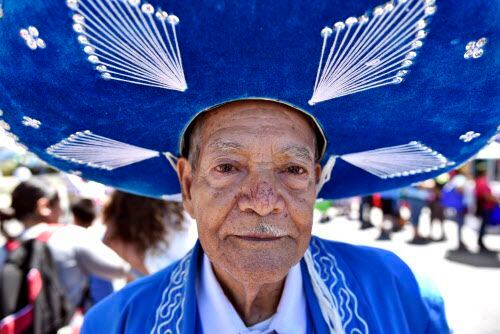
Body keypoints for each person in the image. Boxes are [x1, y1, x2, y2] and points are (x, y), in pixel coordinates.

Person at [3, 0, 498, 332]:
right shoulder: (116, 323)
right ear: (187, 184)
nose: (263, 202)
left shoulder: (400, 292)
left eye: (292, 171)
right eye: (227, 167)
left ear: (319, 183)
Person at [0, 178, 132, 309]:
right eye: (60, 203)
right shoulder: (71, 237)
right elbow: (124, 269)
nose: (63, 211)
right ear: (44, 206)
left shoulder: (6, 249)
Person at [102, 190, 195, 275]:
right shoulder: (178, 193)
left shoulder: (124, 194)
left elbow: (110, 240)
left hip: (156, 275)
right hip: (187, 270)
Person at [475, 169, 499, 252]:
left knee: (483, 225)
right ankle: (480, 242)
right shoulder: (482, 182)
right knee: (483, 226)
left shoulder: (479, 181)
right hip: (486, 207)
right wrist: (496, 200)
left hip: (484, 207)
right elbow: (486, 196)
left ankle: (480, 241)